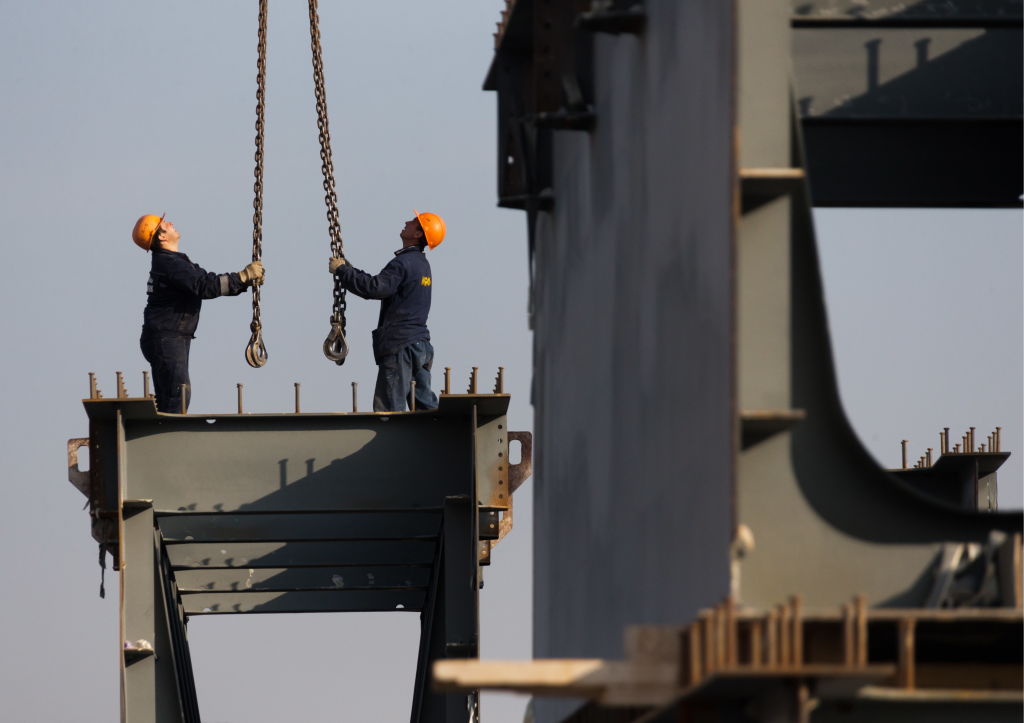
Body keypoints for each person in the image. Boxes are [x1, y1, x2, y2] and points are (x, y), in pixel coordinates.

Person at [132, 213, 265, 413]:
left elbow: (206, 281)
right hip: (167, 338)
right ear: (161, 236)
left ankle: (166, 431)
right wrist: (243, 276)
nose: (170, 223)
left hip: (168, 337)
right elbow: (204, 286)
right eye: (164, 224)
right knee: (178, 395)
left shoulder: (175, 262)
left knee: (175, 395)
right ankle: (168, 437)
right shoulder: (171, 265)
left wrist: (243, 282)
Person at [328, 211, 445, 412]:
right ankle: (445, 438)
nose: (407, 222)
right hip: (420, 347)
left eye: (413, 222)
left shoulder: (403, 264)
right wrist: (349, 270)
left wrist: (342, 272)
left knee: (389, 412)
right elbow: (380, 283)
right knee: (426, 409)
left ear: (418, 234)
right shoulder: (421, 265)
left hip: (401, 347)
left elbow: (375, 288)